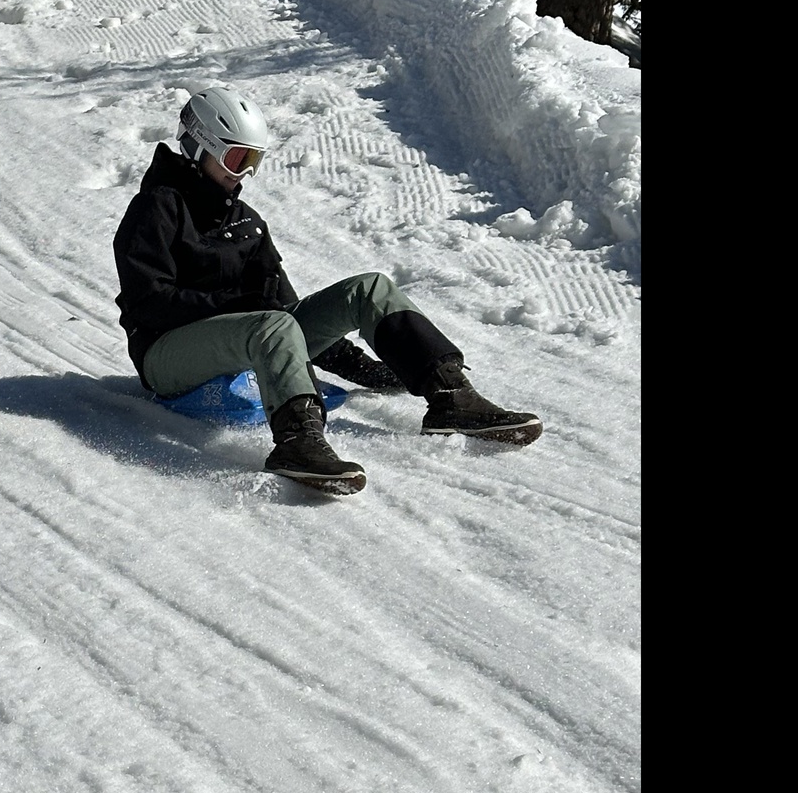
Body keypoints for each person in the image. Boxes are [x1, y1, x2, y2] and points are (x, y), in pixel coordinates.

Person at [112, 84, 542, 496]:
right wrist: (235, 305)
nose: (244, 173)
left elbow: (289, 317)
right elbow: (148, 304)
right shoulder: (155, 209)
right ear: (198, 147)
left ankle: (450, 395)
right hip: (164, 355)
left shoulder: (245, 221)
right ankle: (297, 441)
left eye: (253, 161)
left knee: (369, 288)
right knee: (269, 325)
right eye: (236, 158)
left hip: (245, 336)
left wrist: (364, 369)